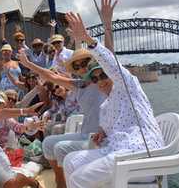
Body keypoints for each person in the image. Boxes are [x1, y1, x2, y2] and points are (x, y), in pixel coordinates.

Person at [18, 0, 117, 188]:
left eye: (85, 63)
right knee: (48, 144)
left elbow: (110, 55)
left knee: (62, 148)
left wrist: (107, 25)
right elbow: (52, 76)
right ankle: (60, 183)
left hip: (101, 138)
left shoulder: (104, 80)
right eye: (77, 65)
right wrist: (29, 64)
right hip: (86, 134)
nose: (81, 67)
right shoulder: (80, 84)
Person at [62, 11, 164, 188]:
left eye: (103, 75)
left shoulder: (128, 86)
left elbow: (113, 65)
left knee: (79, 178)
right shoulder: (106, 106)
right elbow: (109, 130)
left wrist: (88, 38)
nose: (100, 81)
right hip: (119, 152)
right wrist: (101, 134)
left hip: (143, 155)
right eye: (94, 78)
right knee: (70, 161)